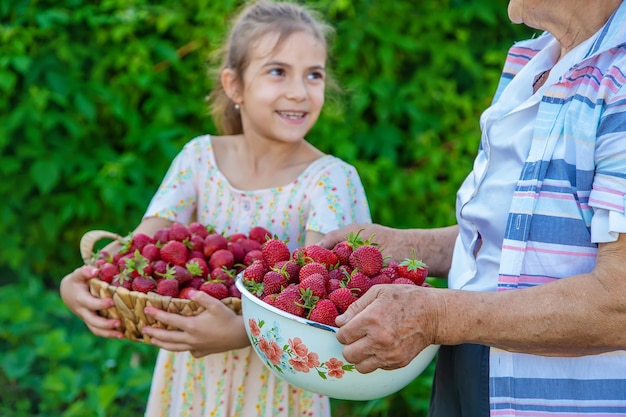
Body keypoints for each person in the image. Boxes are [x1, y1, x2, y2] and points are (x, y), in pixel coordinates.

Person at [60, 1, 371, 416]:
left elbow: (321, 295)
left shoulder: (330, 180)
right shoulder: (198, 158)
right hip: (189, 379)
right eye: (278, 71)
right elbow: (142, 243)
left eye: (313, 74)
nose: (299, 91)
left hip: (279, 384)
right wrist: (82, 281)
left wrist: (244, 331)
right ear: (234, 85)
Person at [318, 1, 626, 416]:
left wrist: (439, 317)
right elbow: (510, 243)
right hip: (467, 362)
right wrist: (405, 246)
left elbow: (618, 302)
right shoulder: (529, 60)